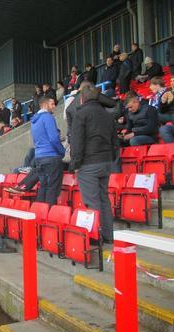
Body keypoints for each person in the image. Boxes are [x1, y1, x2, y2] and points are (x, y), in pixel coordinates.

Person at [70, 86, 117, 244]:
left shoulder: (81, 114)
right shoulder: (107, 114)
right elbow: (114, 141)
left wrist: (75, 164)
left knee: (92, 201)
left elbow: (77, 142)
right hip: (106, 162)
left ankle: (96, 237)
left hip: (89, 164)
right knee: (104, 198)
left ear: (82, 99)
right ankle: (108, 236)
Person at [31, 96, 65, 205]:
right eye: (52, 104)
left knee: (43, 186)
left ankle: (41, 214)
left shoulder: (34, 120)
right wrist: (62, 151)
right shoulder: (48, 117)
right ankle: (49, 216)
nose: (54, 107)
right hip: (51, 157)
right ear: (45, 105)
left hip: (39, 157)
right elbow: (54, 138)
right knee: (52, 188)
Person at [157, 76, 174, 142]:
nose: (172, 83)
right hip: (170, 116)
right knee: (163, 129)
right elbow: (161, 110)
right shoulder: (168, 91)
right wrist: (163, 102)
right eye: (171, 81)